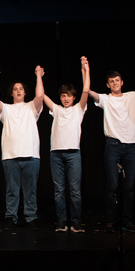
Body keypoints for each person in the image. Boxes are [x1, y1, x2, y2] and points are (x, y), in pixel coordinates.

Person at [89, 63, 135, 232]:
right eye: (111, 81)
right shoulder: (105, 99)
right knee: (112, 185)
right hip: (113, 145)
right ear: (108, 84)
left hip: (130, 146)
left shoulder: (131, 96)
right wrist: (86, 70)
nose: (115, 83)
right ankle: (111, 220)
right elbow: (87, 92)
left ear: (122, 82)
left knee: (129, 186)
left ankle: (127, 220)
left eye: (117, 80)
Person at [39, 57, 90, 233]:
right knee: (59, 190)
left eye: (68, 95)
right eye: (63, 95)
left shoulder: (78, 110)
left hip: (74, 153)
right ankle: (61, 221)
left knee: (75, 190)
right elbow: (41, 96)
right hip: (56, 154)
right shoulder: (56, 109)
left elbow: (86, 90)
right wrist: (39, 76)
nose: (65, 98)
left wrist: (85, 70)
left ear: (73, 97)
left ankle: (75, 221)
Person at [0, 70, 44, 229]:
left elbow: (40, 96)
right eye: (15, 89)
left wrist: (38, 76)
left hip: (31, 155)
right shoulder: (6, 109)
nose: (18, 91)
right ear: (12, 93)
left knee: (30, 190)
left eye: (21, 88)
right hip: (10, 155)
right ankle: (11, 216)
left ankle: (31, 217)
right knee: (12, 190)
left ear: (25, 92)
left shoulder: (31, 107)